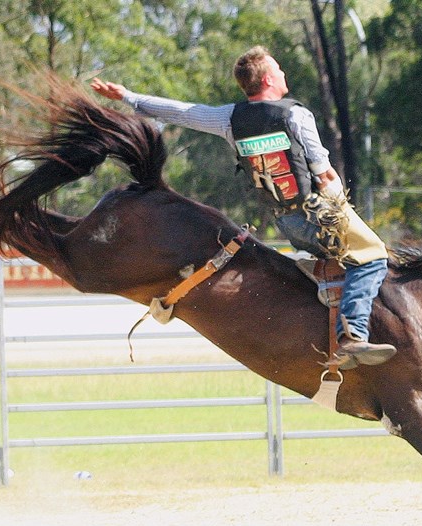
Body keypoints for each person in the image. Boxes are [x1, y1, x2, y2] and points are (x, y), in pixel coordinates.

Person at [91, 45, 396, 369]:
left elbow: (181, 112)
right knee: (373, 256)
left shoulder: (230, 118)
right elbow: (325, 174)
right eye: (278, 69)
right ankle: (352, 335)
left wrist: (128, 97)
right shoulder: (295, 115)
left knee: (342, 258)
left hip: (287, 222)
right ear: (267, 80)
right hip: (318, 213)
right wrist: (346, 211)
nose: (283, 73)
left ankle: (328, 311)